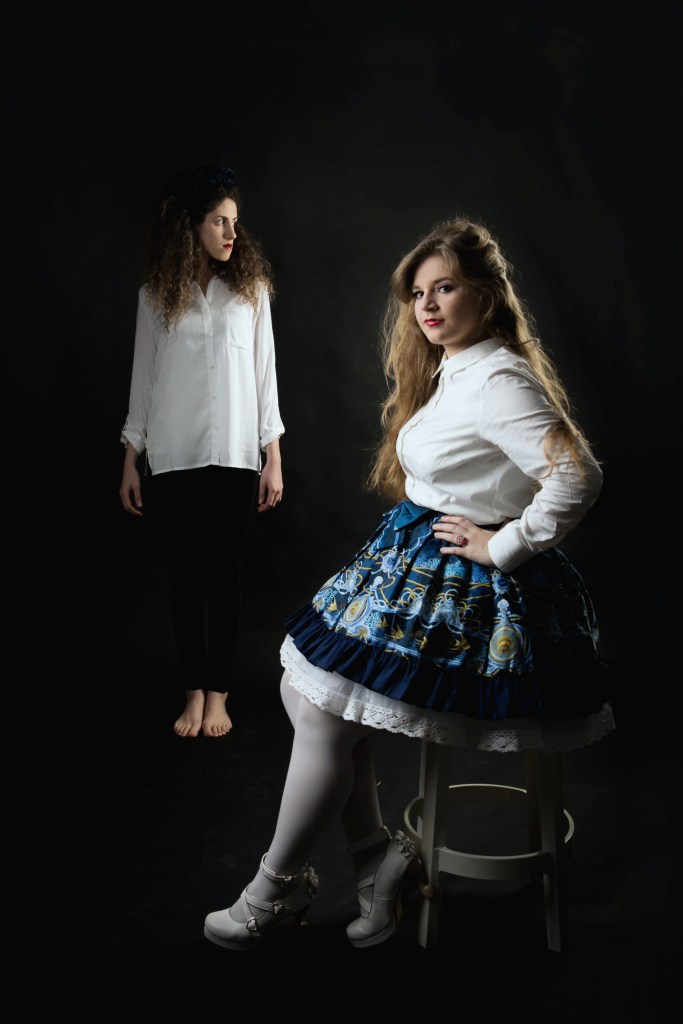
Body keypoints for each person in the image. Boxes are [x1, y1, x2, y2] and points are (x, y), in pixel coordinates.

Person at [203, 217, 615, 950]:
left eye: (445, 288)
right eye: (418, 293)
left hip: (471, 591)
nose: (426, 306)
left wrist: (503, 545)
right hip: (417, 561)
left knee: (322, 708)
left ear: (486, 294)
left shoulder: (498, 378)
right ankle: (373, 862)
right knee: (306, 693)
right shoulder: (457, 367)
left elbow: (576, 474)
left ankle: (276, 886)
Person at [119, 163, 284, 738]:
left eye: (235, 222)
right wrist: (130, 459)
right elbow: (144, 381)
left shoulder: (252, 293)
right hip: (173, 456)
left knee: (225, 576)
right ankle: (192, 692)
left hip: (236, 454)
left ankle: (219, 695)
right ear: (192, 226)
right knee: (185, 578)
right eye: (219, 221)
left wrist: (273, 456)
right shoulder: (155, 298)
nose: (232, 233)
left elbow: (265, 377)